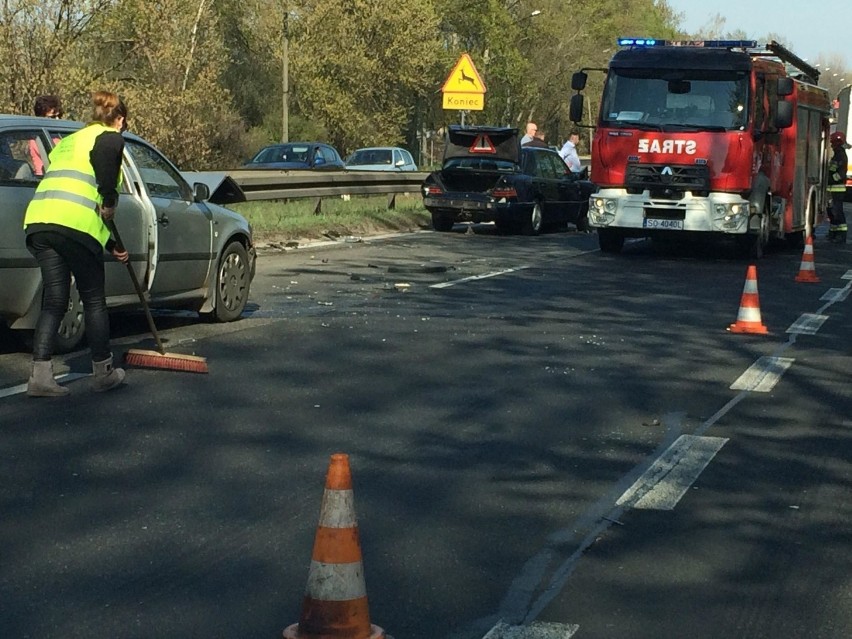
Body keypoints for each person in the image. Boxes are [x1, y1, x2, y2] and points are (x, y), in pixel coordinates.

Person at [22, 90, 130, 397]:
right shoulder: (110, 138)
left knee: (55, 298)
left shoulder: (71, 140)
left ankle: (40, 377)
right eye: (124, 123)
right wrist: (110, 200)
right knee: (94, 299)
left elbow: (78, 190)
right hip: (74, 226)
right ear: (119, 119)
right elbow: (101, 193)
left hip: (41, 221)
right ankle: (103, 372)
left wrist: (113, 246)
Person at [30, 94, 63, 175]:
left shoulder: (61, 135)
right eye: (52, 117)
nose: (57, 119)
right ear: (41, 117)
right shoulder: (38, 139)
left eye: (59, 116)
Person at [827, 130, 849, 243]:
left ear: (838, 142)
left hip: (837, 188)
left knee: (837, 211)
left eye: (833, 142)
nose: (831, 144)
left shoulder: (840, 155)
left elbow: (841, 173)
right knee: (832, 211)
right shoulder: (837, 154)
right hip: (833, 188)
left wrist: (830, 179)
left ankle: (841, 235)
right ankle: (834, 233)